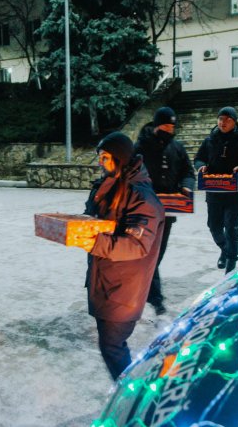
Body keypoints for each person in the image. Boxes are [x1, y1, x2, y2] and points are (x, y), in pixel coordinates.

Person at [82, 131, 165, 380]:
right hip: (104, 277)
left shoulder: (142, 197)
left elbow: (136, 245)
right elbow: (94, 219)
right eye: (100, 156)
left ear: (119, 158)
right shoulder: (108, 185)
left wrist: (94, 241)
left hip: (124, 286)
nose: (100, 162)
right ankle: (128, 388)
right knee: (111, 345)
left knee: (112, 345)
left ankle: (131, 394)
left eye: (105, 157)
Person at [133, 106, 195, 315]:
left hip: (168, 212)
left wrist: (186, 186)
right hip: (144, 211)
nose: (170, 129)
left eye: (172, 125)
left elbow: (188, 171)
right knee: (149, 254)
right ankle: (156, 300)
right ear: (157, 125)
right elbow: (130, 174)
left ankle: (145, 290)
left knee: (156, 255)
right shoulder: (141, 147)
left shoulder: (177, 147)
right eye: (166, 125)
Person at [194, 107, 238, 274]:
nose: (222, 122)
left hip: (235, 193)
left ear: (234, 121)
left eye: (227, 119)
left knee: (231, 226)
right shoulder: (210, 140)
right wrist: (201, 166)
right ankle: (225, 249)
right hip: (214, 191)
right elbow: (198, 158)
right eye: (220, 118)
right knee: (214, 225)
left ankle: (232, 260)